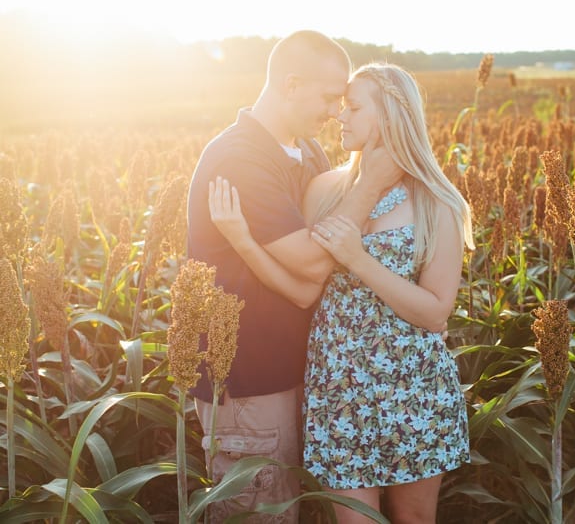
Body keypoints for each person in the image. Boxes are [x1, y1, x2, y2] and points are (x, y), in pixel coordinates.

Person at [209, 62, 474, 524]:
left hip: (414, 390)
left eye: (352, 107)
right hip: (339, 389)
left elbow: (435, 314)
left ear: (390, 114)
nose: (340, 116)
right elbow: (304, 291)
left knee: (414, 518)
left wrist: (359, 260)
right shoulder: (324, 191)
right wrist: (242, 240)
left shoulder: (437, 202)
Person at [186, 30, 401, 523]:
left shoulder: (307, 152)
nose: (334, 111)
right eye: (329, 97)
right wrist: (370, 184)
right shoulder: (241, 157)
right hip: (252, 384)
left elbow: (312, 284)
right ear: (291, 83)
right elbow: (312, 261)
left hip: (307, 376)